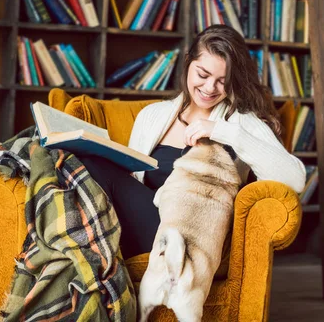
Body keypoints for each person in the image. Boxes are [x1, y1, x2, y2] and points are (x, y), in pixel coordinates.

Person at [78, 24, 306, 259]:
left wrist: (224, 131)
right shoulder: (153, 115)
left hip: (195, 232)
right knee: (83, 163)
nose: (210, 88)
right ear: (188, 63)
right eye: (203, 75)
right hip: (142, 221)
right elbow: (132, 179)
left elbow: (295, 179)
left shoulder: (241, 122)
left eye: (222, 81)